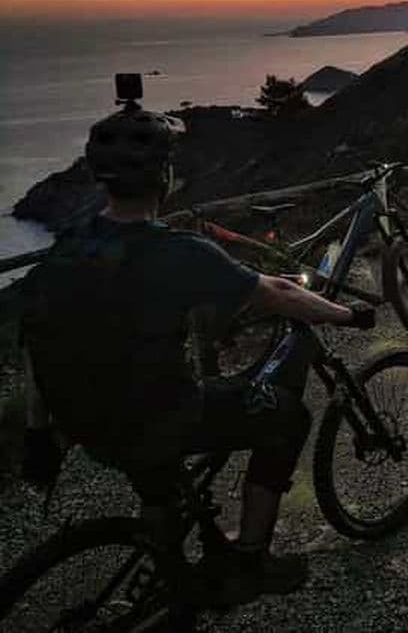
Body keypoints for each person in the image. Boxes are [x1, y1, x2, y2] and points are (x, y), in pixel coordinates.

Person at [19, 98, 374, 603]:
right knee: (288, 418)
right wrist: (348, 315)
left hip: (85, 423)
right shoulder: (178, 252)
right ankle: (251, 559)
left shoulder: (68, 248)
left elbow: (34, 339)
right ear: (166, 177)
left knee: (154, 464)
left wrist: (37, 429)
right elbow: (280, 294)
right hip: (160, 416)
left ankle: (166, 566)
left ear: (102, 181)